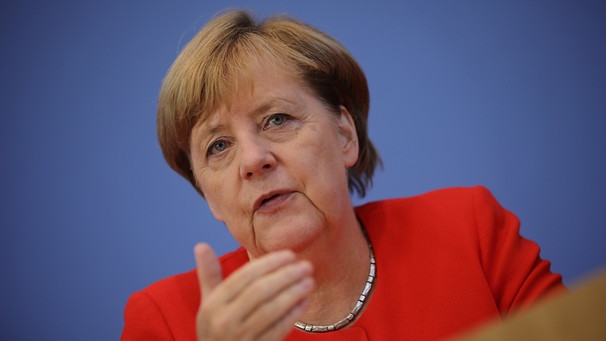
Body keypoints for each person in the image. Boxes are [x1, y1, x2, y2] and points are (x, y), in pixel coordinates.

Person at [121, 10, 565, 340]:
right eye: (218, 146)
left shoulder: (469, 231)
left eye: (277, 119)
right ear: (209, 197)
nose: (253, 160)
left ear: (345, 136)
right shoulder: (165, 321)